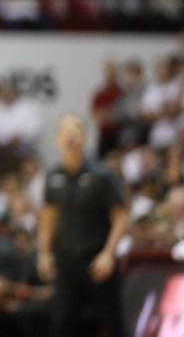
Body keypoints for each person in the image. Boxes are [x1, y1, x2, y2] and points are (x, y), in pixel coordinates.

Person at [37, 115, 127, 337]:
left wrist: (108, 254)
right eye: (66, 132)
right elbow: (48, 218)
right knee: (61, 326)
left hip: (97, 260)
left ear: (84, 138)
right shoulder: (52, 176)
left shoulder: (101, 174)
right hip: (67, 262)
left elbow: (121, 216)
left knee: (114, 325)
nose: (71, 136)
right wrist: (44, 253)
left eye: (76, 131)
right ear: (58, 140)